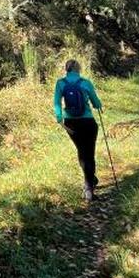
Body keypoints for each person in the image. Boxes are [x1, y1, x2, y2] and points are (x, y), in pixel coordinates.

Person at [53, 59, 103, 201]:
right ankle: (89, 188)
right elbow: (95, 103)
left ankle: (90, 180)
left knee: (82, 152)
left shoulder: (60, 83)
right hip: (87, 122)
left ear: (66, 69)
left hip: (70, 123)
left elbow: (56, 102)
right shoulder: (85, 82)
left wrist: (59, 117)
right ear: (78, 69)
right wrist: (98, 105)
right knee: (89, 153)